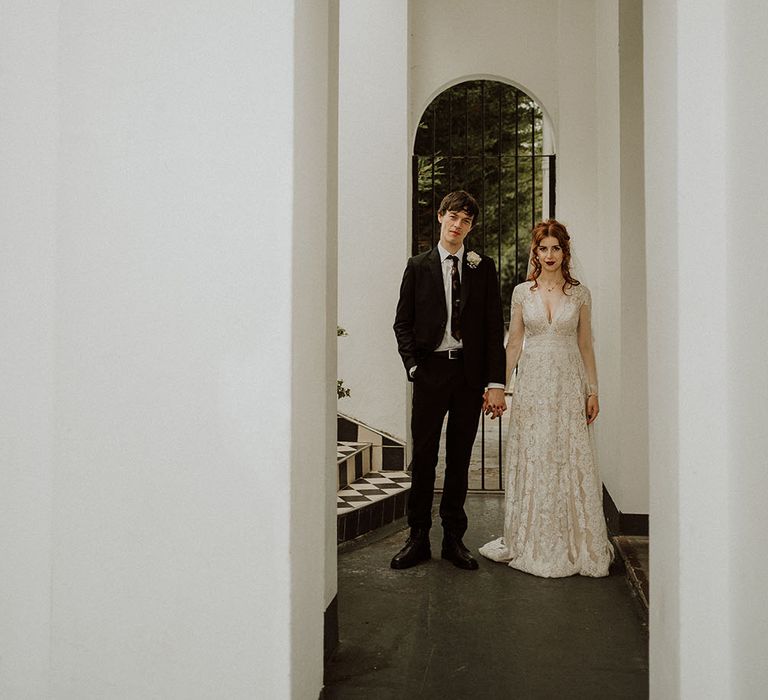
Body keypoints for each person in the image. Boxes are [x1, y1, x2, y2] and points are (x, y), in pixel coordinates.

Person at [479, 219, 613, 577]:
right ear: (535, 253)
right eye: (543, 248)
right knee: (536, 453)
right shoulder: (523, 293)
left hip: (569, 383)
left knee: (567, 455)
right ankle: (531, 539)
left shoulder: (580, 294)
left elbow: (586, 345)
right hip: (534, 385)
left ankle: (575, 542)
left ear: (565, 251)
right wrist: (497, 387)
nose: (550, 254)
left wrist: (593, 390)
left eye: (556, 248)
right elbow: (514, 344)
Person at [392, 190, 507, 570]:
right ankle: (418, 537)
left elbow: (493, 328)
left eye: (467, 221)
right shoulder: (419, 266)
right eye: (454, 217)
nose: (459, 225)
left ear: (471, 227)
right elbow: (402, 323)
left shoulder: (481, 267)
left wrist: (494, 382)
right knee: (424, 458)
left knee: (459, 459)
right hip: (430, 373)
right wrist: (413, 367)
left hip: (467, 376)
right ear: (440, 217)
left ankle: (454, 539)